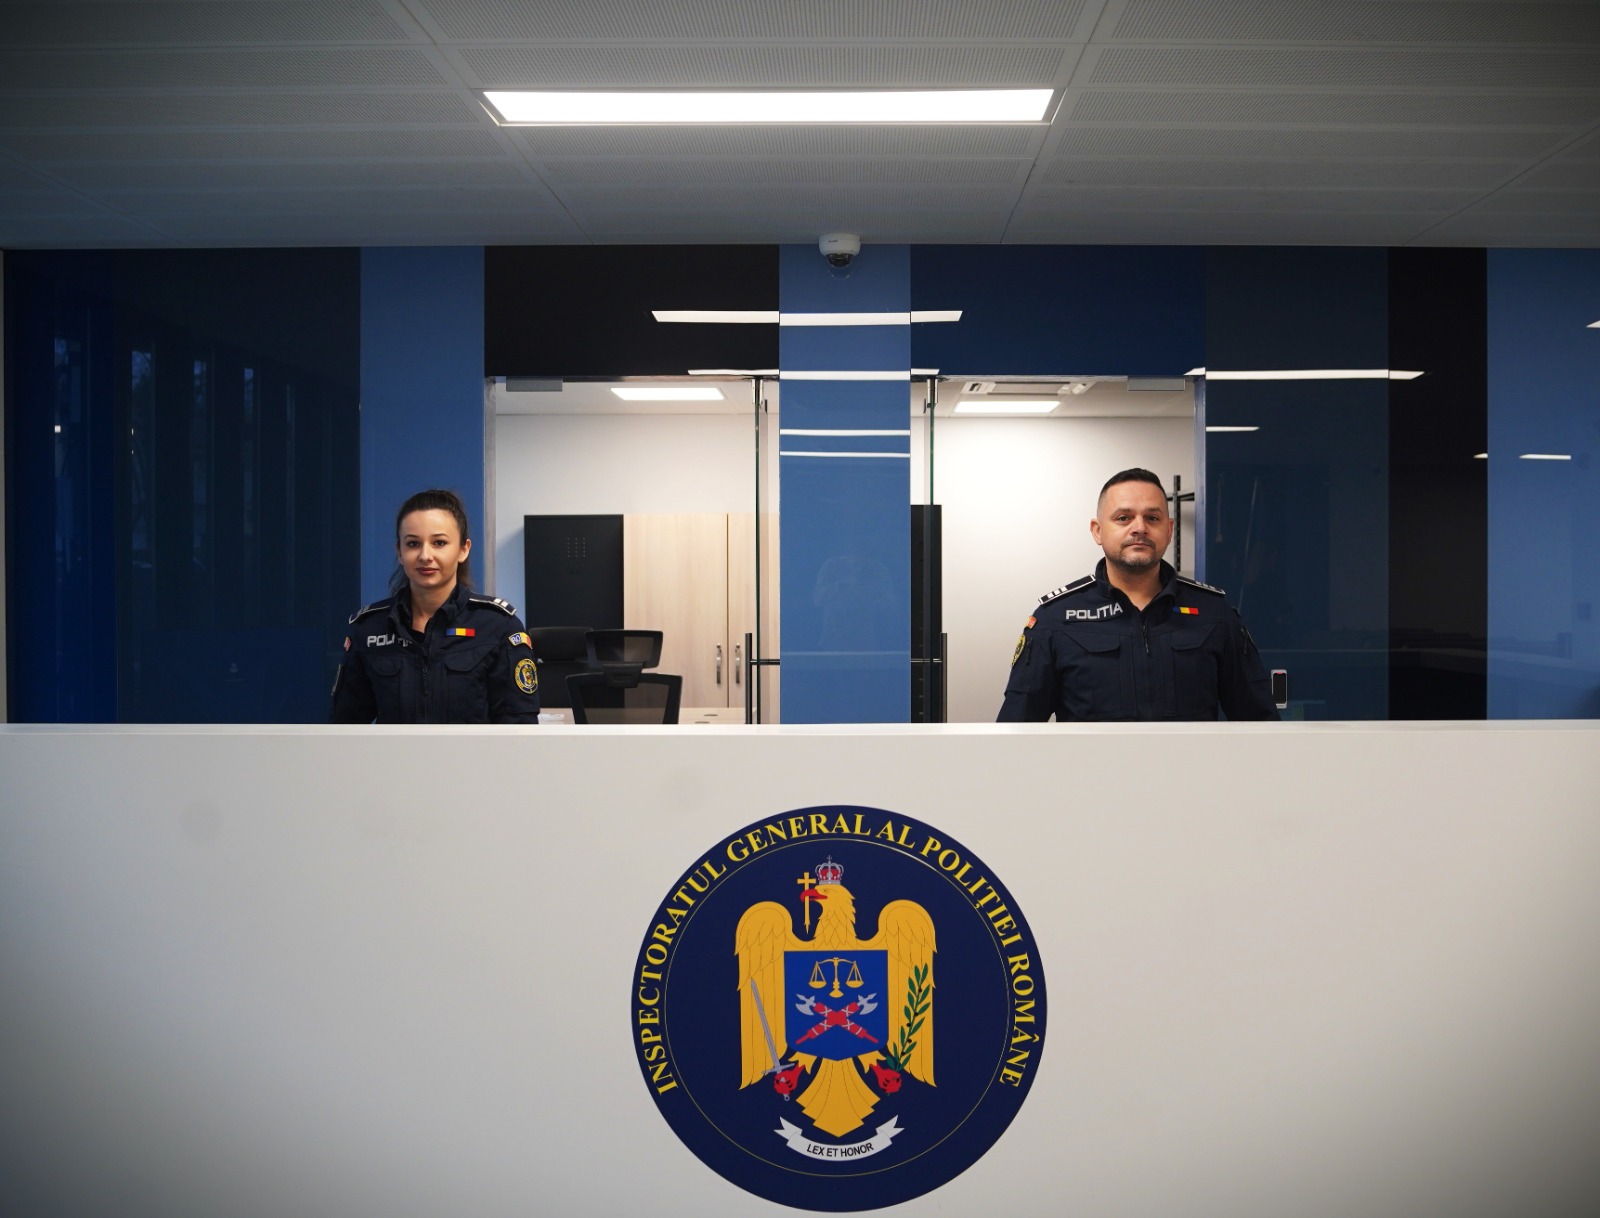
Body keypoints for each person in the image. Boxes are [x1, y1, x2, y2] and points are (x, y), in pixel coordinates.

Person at [998, 468, 1278, 722]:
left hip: (1189, 765)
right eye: (1123, 518)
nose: (1140, 528)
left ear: (1169, 530)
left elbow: (1260, 723)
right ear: (1098, 531)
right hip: (1094, 766)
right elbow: (1017, 730)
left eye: (1152, 518)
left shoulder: (1215, 614)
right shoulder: (1055, 619)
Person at [330, 489, 541, 723]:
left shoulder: (498, 625)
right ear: (399, 552)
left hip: (471, 749)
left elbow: (520, 727)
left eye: (439, 543)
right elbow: (345, 725)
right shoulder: (369, 628)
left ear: (463, 549)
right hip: (395, 749)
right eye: (413, 544)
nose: (425, 555)